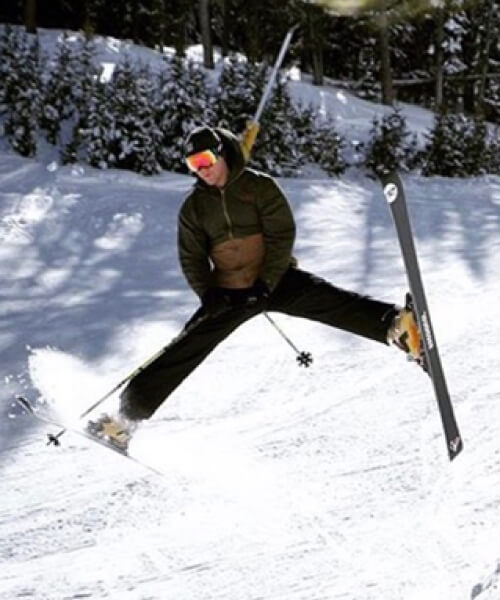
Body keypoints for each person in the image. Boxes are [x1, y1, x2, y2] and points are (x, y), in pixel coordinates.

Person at [88, 125, 423, 450]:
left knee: (326, 299)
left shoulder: (258, 187)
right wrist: (209, 295)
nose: (201, 170)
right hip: (229, 293)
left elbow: (281, 235)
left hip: (275, 280)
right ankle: (122, 421)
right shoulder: (195, 207)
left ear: (221, 154)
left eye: (205, 160)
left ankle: (399, 327)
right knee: (183, 348)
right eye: (193, 165)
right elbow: (191, 257)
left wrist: (266, 283)